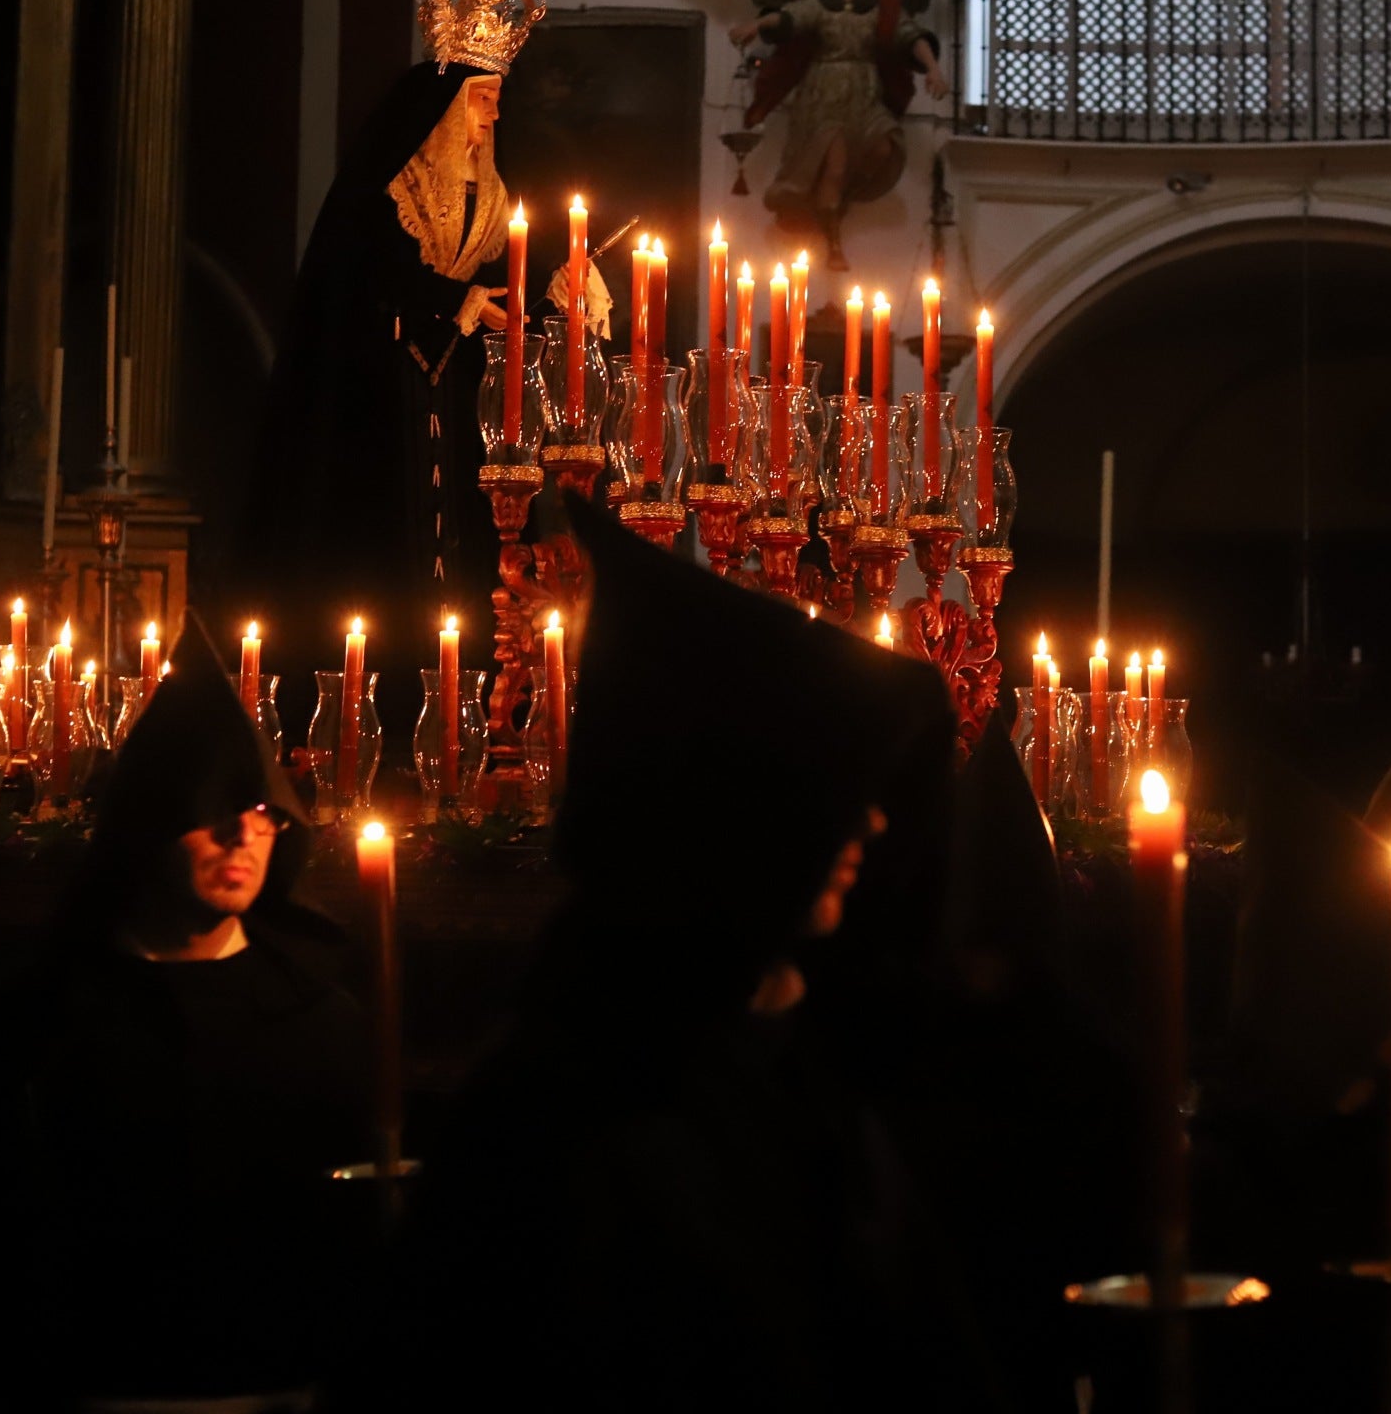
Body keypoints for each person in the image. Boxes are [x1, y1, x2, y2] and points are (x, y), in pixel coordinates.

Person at [382, 496, 1001, 1411]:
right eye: (828, 793)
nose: (871, 821)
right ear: (733, 819)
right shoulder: (572, 1118)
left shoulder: (809, 1071)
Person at [0, 617, 370, 1408]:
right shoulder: (29, 1032)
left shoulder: (320, 1026)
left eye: (262, 812)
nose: (241, 834)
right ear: (148, 825)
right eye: (209, 808)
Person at [242, 0, 555, 701]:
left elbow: (492, 272)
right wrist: (456, 304)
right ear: (447, 106)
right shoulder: (392, 187)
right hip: (374, 396)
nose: (493, 116)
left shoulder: (486, 193)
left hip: (454, 397)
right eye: (483, 99)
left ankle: (470, 699)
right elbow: (367, 276)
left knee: (464, 551)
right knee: (378, 551)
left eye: (496, 99)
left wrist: (533, 294)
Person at [728, 0, 950, 268]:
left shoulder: (880, 5)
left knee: (884, 146)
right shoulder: (823, 3)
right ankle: (832, 239)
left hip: (865, 92)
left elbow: (910, 35)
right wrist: (754, 27)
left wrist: (933, 68)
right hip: (825, 93)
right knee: (834, 163)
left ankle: (838, 193)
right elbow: (790, 18)